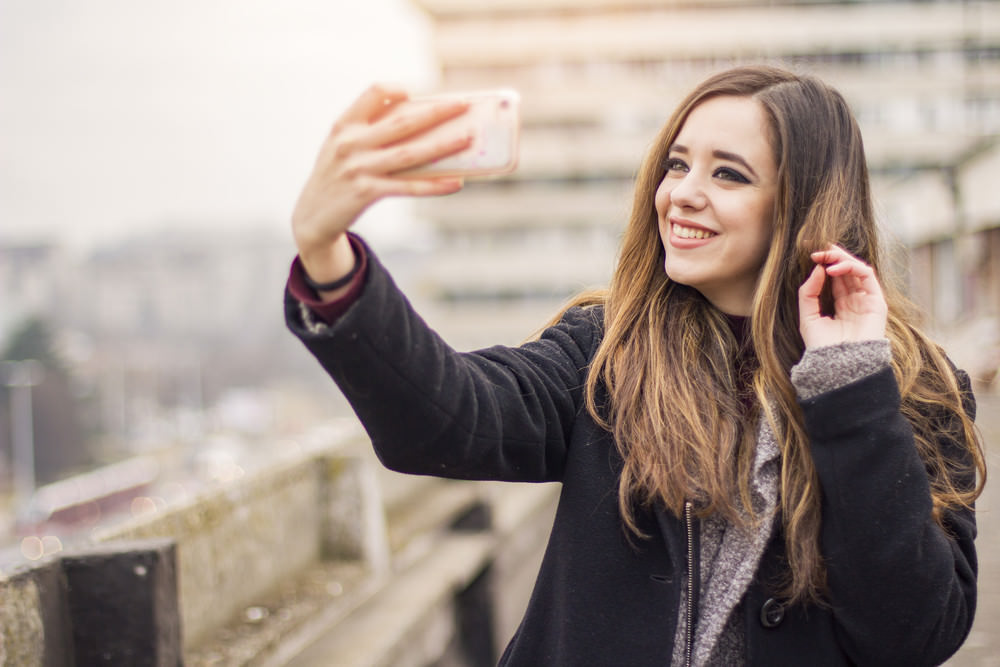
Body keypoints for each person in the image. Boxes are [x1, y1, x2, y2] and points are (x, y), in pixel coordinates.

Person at [284, 66, 986, 666]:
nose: (681, 192)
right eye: (677, 164)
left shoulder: (911, 387)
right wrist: (328, 258)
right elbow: (451, 419)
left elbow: (915, 633)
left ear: (802, 208)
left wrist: (849, 384)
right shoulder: (607, 350)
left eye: (728, 173)